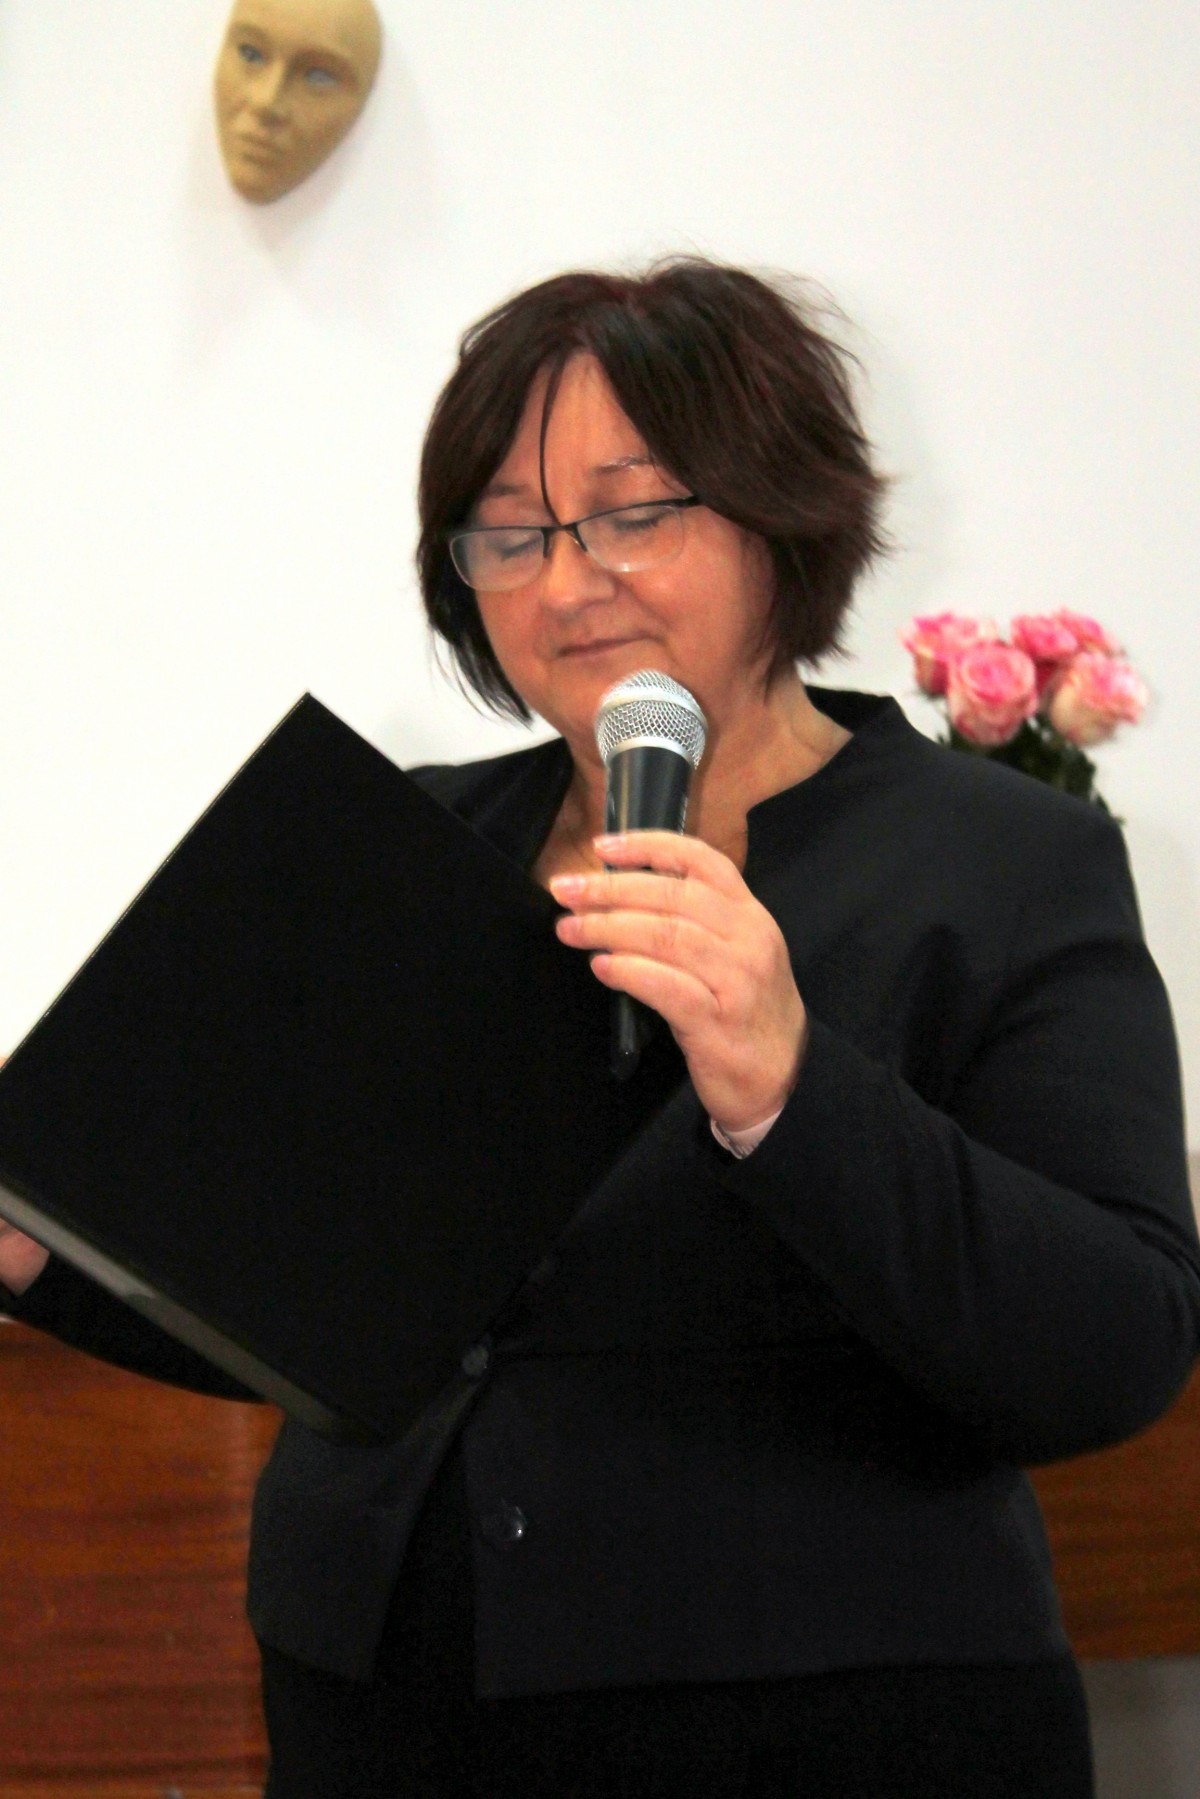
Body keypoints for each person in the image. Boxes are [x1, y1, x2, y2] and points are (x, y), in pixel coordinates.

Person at [3, 258, 1199, 1798]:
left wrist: (791, 1087)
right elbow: (313, 1312)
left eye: (633, 515)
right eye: (511, 534)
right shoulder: (417, 843)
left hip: (819, 1729)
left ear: (780, 517)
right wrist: (46, 1244)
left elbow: (1114, 1347)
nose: (568, 583)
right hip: (385, 1712)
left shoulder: (999, 862)